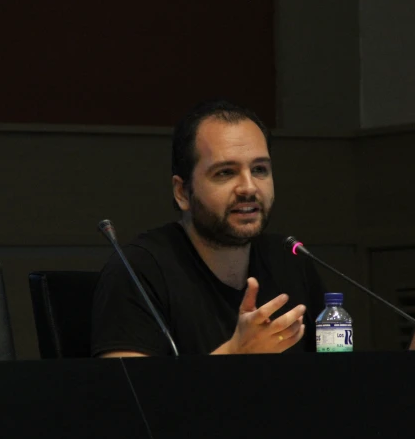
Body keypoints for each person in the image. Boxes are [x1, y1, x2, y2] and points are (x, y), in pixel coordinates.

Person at [91, 100, 326, 357]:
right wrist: (235, 353)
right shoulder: (138, 270)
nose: (249, 187)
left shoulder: (291, 260)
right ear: (182, 192)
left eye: (259, 169)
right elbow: (131, 394)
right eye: (225, 173)